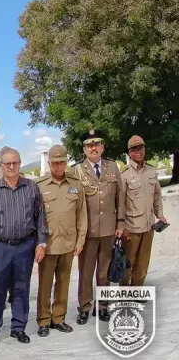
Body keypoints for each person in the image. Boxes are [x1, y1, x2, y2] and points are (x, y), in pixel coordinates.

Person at [0, 147, 48, 349]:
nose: (11, 166)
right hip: (0, 248)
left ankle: (18, 328)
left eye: (15, 162)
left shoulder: (32, 187)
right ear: (1, 166)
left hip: (25, 247)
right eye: (7, 163)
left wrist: (41, 243)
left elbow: (40, 217)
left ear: (19, 163)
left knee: (21, 289)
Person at [71, 129, 125, 325]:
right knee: (85, 272)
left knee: (104, 271)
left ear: (102, 146)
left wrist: (120, 223)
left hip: (109, 229)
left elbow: (120, 196)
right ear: (84, 149)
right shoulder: (76, 171)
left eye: (96, 144)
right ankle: (84, 307)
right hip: (88, 231)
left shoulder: (113, 167)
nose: (93, 148)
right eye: (89, 145)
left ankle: (102, 307)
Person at [35, 145, 87, 337]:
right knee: (45, 284)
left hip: (68, 243)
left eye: (61, 162)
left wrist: (80, 240)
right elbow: (34, 217)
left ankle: (59, 318)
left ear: (66, 163)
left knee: (63, 283)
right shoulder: (39, 185)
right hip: (47, 245)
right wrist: (37, 244)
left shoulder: (76, 184)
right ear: (49, 164)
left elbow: (82, 215)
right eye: (54, 163)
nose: (58, 166)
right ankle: (43, 320)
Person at [119, 135, 167, 287]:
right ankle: (124, 289)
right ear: (129, 152)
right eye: (134, 149)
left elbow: (157, 196)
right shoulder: (124, 174)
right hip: (131, 228)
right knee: (128, 261)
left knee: (143, 260)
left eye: (141, 147)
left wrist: (160, 215)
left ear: (144, 149)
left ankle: (137, 288)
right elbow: (119, 203)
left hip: (148, 226)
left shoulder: (151, 171)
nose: (138, 151)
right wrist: (122, 227)